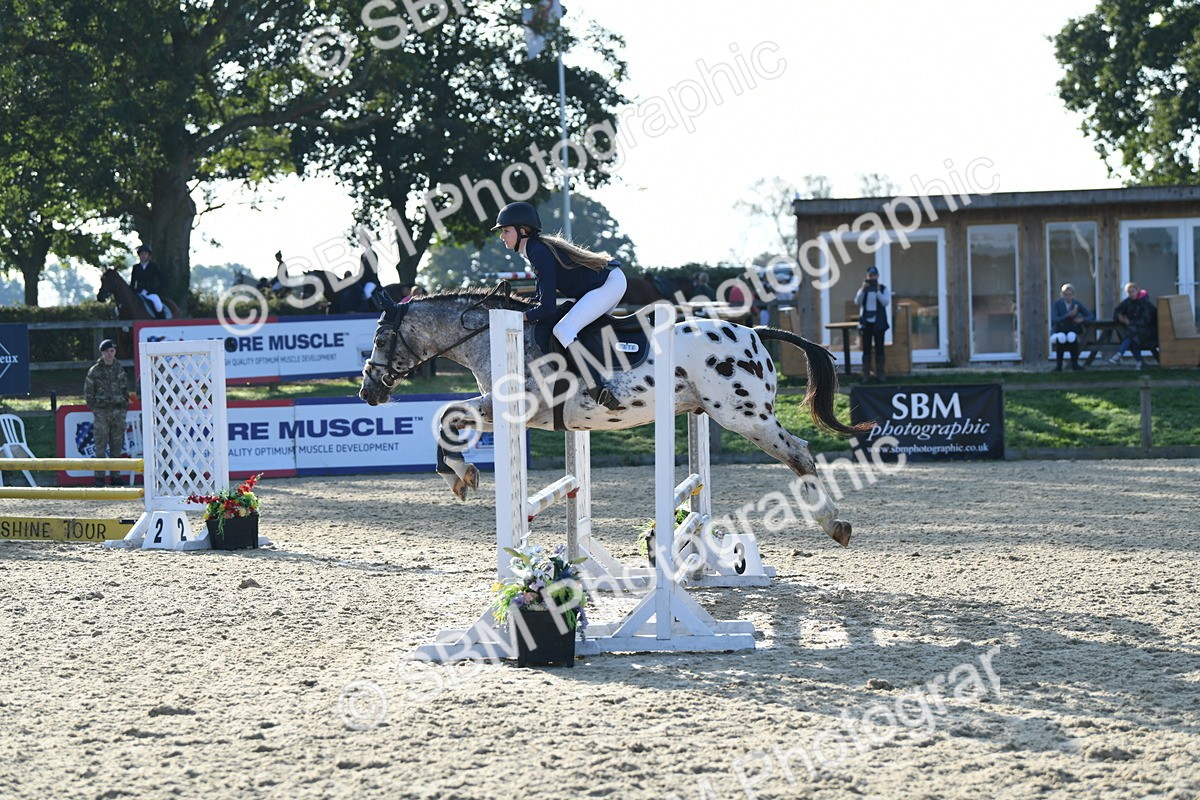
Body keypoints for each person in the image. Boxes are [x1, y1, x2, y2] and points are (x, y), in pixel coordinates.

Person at [493, 201, 628, 408]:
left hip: (608, 284)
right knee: (577, 328)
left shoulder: (538, 251)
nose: (502, 236)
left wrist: (520, 317)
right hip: (604, 284)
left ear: (522, 231)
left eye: (506, 231)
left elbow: (545, 307)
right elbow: (542, 299)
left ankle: (597, 388)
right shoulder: (535, 249)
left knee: (563, 330)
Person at [84, 339, 130, 486]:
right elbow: (88, 393)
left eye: (112, 351)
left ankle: (116, 476)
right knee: (100, 446)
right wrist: (97, 410)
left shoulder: (120, 369)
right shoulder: (94, 371)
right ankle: (99, 478)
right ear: (102, 353)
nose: (109, 354)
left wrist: (123, 409)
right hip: (102, 413)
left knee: (117, 446)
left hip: (117, 412)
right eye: (106, 351)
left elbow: (125, 391)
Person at [854, 265, 890, 382]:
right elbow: (857, 301)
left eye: (874, 275)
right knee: (866, 349)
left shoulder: (883, 288)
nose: (872, 277)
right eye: (870, 275)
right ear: (867, 276)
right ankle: (866, 374)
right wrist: (863, 289)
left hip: (879, 323)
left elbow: (885, 303)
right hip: (866, 323)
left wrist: (878, 291)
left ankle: (880, 374)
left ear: (878, 276)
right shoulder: (863, 289)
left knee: (880, 348)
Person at [1110, 282, 1156, 369]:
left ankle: (1119, 354)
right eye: (1129, 292)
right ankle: (1139, 362)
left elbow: (1147, 319)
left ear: (1137, 290)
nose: (1131, 294)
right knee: (1133, 338)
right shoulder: (1127, 302)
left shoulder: (1145, 303)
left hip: (1147, 331)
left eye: (1133, 291)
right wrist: (1119, 317)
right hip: (1133, 330)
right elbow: (1118, 310)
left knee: (1132, 336)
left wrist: (1130, 322)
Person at [1050, 283, 1093, 371]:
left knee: (1072, 336)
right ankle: (1059, 366)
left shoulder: (1076, 304)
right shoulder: (1057, 304)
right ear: (1062, 295)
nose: (1068, 297)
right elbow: (1054, 319)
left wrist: (1082, 319)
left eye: (1070, 295)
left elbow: (1091, 316)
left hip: (1072, 328)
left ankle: (1075, 364)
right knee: (1061, 338)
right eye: (1065, 295)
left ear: (1073, 295)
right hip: (1060, 329)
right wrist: (1068, 315)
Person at [130, 244, 168, 319]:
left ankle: (162, 322)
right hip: (138, 293)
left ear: (148, 256)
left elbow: (162, 280)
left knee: (158, 306)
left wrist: (155, 289)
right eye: (142, 254)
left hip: (150, 293)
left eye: (145, 254)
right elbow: (132, 282)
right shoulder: (136, 267)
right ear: (139, 255)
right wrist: (133, 291)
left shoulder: (153, 266)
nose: (143, 256)